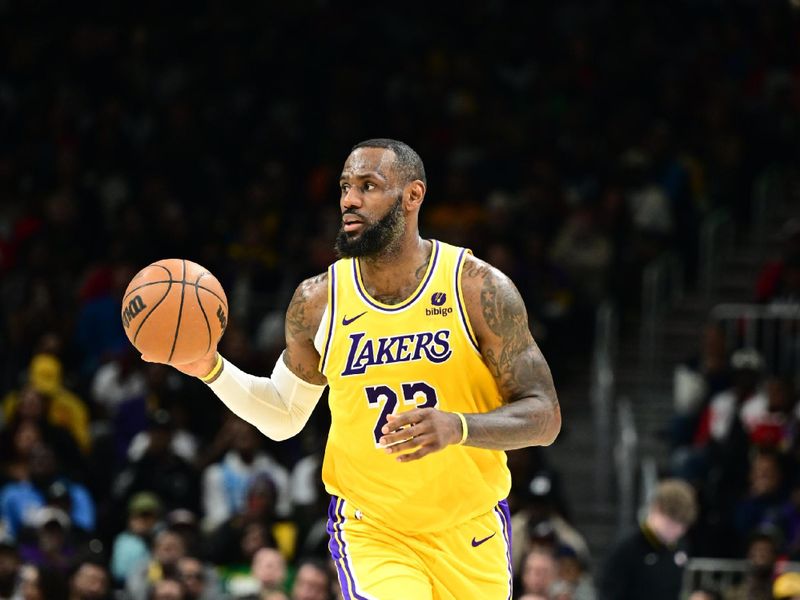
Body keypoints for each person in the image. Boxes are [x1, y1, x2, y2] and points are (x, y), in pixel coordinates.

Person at [145, 138, 561, 599]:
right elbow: (284, 415)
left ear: (412, 196)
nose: (350, 199)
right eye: (345, 186)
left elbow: (544, 416)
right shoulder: (318, 301)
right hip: (373, 530)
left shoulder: (477, 288)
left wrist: (457, 427)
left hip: (471, 528)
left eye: (368, 186)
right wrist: (210, 368)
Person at [598, 478, 698, 600]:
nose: (677, 531)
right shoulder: (625, 549)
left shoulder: (681, 546)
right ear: (656, 510)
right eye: (671, 523)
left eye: (683, 526)